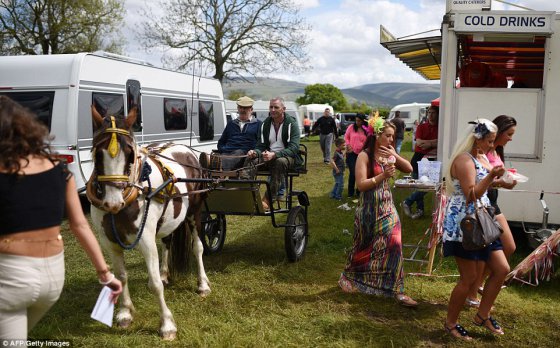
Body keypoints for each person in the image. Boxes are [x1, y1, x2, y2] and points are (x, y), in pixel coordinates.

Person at [0, 96, 122, 340]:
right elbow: (80, 225)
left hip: (10, 277)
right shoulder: (59, 169)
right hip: (52, 279)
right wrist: (105, 274)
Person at [338, 116, 417, 307]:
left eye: (393, 136)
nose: (392, 140)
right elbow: (361, 185)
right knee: (364, 247)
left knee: (395, 244)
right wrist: (382, 175)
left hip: (388, 207)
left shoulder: (389, 153)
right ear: (377, 135)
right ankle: (348, 276)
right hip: (369, 209)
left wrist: (395, 155)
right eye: (388, 136)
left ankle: (397, 289)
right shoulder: (364, 156)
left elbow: (408, 168)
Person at [442, 119, 509, 340]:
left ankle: (482, 314)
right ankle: (451, 322)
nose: (493, 146)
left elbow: (483, 185)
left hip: (483, 220)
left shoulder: (479, 157)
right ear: (476, 138)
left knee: (501, 268)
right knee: (469, 278)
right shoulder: (464, 160)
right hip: (466, 224)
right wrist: (491, 176)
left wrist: (501, 181)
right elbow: (472, 194)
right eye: (489, 141)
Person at [466, 115, 518, 308]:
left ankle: (478, 284)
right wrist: (498, 180)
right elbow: (478, 183)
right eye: (509, 134)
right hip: (484, 206)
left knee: (509, 247)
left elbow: (491, 179)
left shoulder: (495, 151)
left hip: (492, 203)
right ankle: (472, 291)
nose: (511, 138)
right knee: (485, 252)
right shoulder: (481, 152)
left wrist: (505, 181)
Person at [246, 97, 302, 210]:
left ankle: (268, 200)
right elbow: (261, 146)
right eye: (271, 107)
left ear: (283, 109)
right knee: (251, 160)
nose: (272, 109)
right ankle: (247, 195)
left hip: (288, 157)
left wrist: (275, 155)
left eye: (276, 107)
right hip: (268, 155)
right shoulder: (265, 124)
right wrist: (255, 152)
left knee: (279, 162)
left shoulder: (292, 124)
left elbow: (294, 148)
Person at [402, 105, 439, 219]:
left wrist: (429, 143)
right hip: (418, 158)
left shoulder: (441, 127)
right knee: (419, 184)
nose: (430, 115)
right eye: (429, 113)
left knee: (430, 184)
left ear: (438, 114)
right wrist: (434, 143)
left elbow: (441, 141)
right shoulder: (421, 127)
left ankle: (407, 201)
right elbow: (419, 143)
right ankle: (420, 210)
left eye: (433, 113)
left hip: (432, 159)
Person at [217, 96, 261, 170]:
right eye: (240, 107)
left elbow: (261, 143)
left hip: (245, 154)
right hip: (227, 153)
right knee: (221, 156)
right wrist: (223, 149)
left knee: (239, 152)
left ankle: (218, 164)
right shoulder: (231, 124)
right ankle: (214, 163)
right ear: (237, 108)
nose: (242, 110)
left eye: (245, 108)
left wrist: (254, 152)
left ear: (251, 110)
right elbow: (221, 142)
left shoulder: (258, 124)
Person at [344, 113, 368, 198]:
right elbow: (346, 137)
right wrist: (348, 145)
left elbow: (369, 139)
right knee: (353, 173)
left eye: (359, 121)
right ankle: (350, 192)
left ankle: (359, 191)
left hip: (362, 154)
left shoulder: (366, 129)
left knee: (361, 173)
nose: (357, 122)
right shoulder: (351, 127)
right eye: (356, 120)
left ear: (363, 121)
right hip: (351, 153)